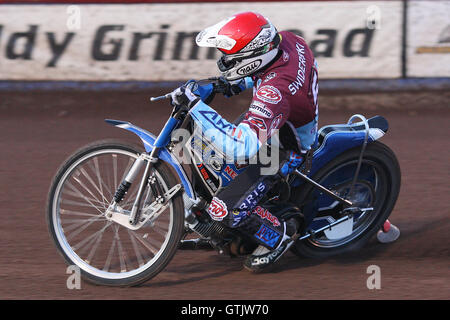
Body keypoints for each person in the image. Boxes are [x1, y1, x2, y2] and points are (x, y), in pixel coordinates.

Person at [170, 11, 319, 271]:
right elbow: (264, 67)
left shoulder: (274, 94)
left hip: (283, 149)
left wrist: (196, 106)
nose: (225, 60)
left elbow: (241, 148)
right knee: (196, 142)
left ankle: (279, 235)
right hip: (279, 123)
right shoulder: (289, 41)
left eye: (231, 57)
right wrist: (228, 85)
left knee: (223, 211)